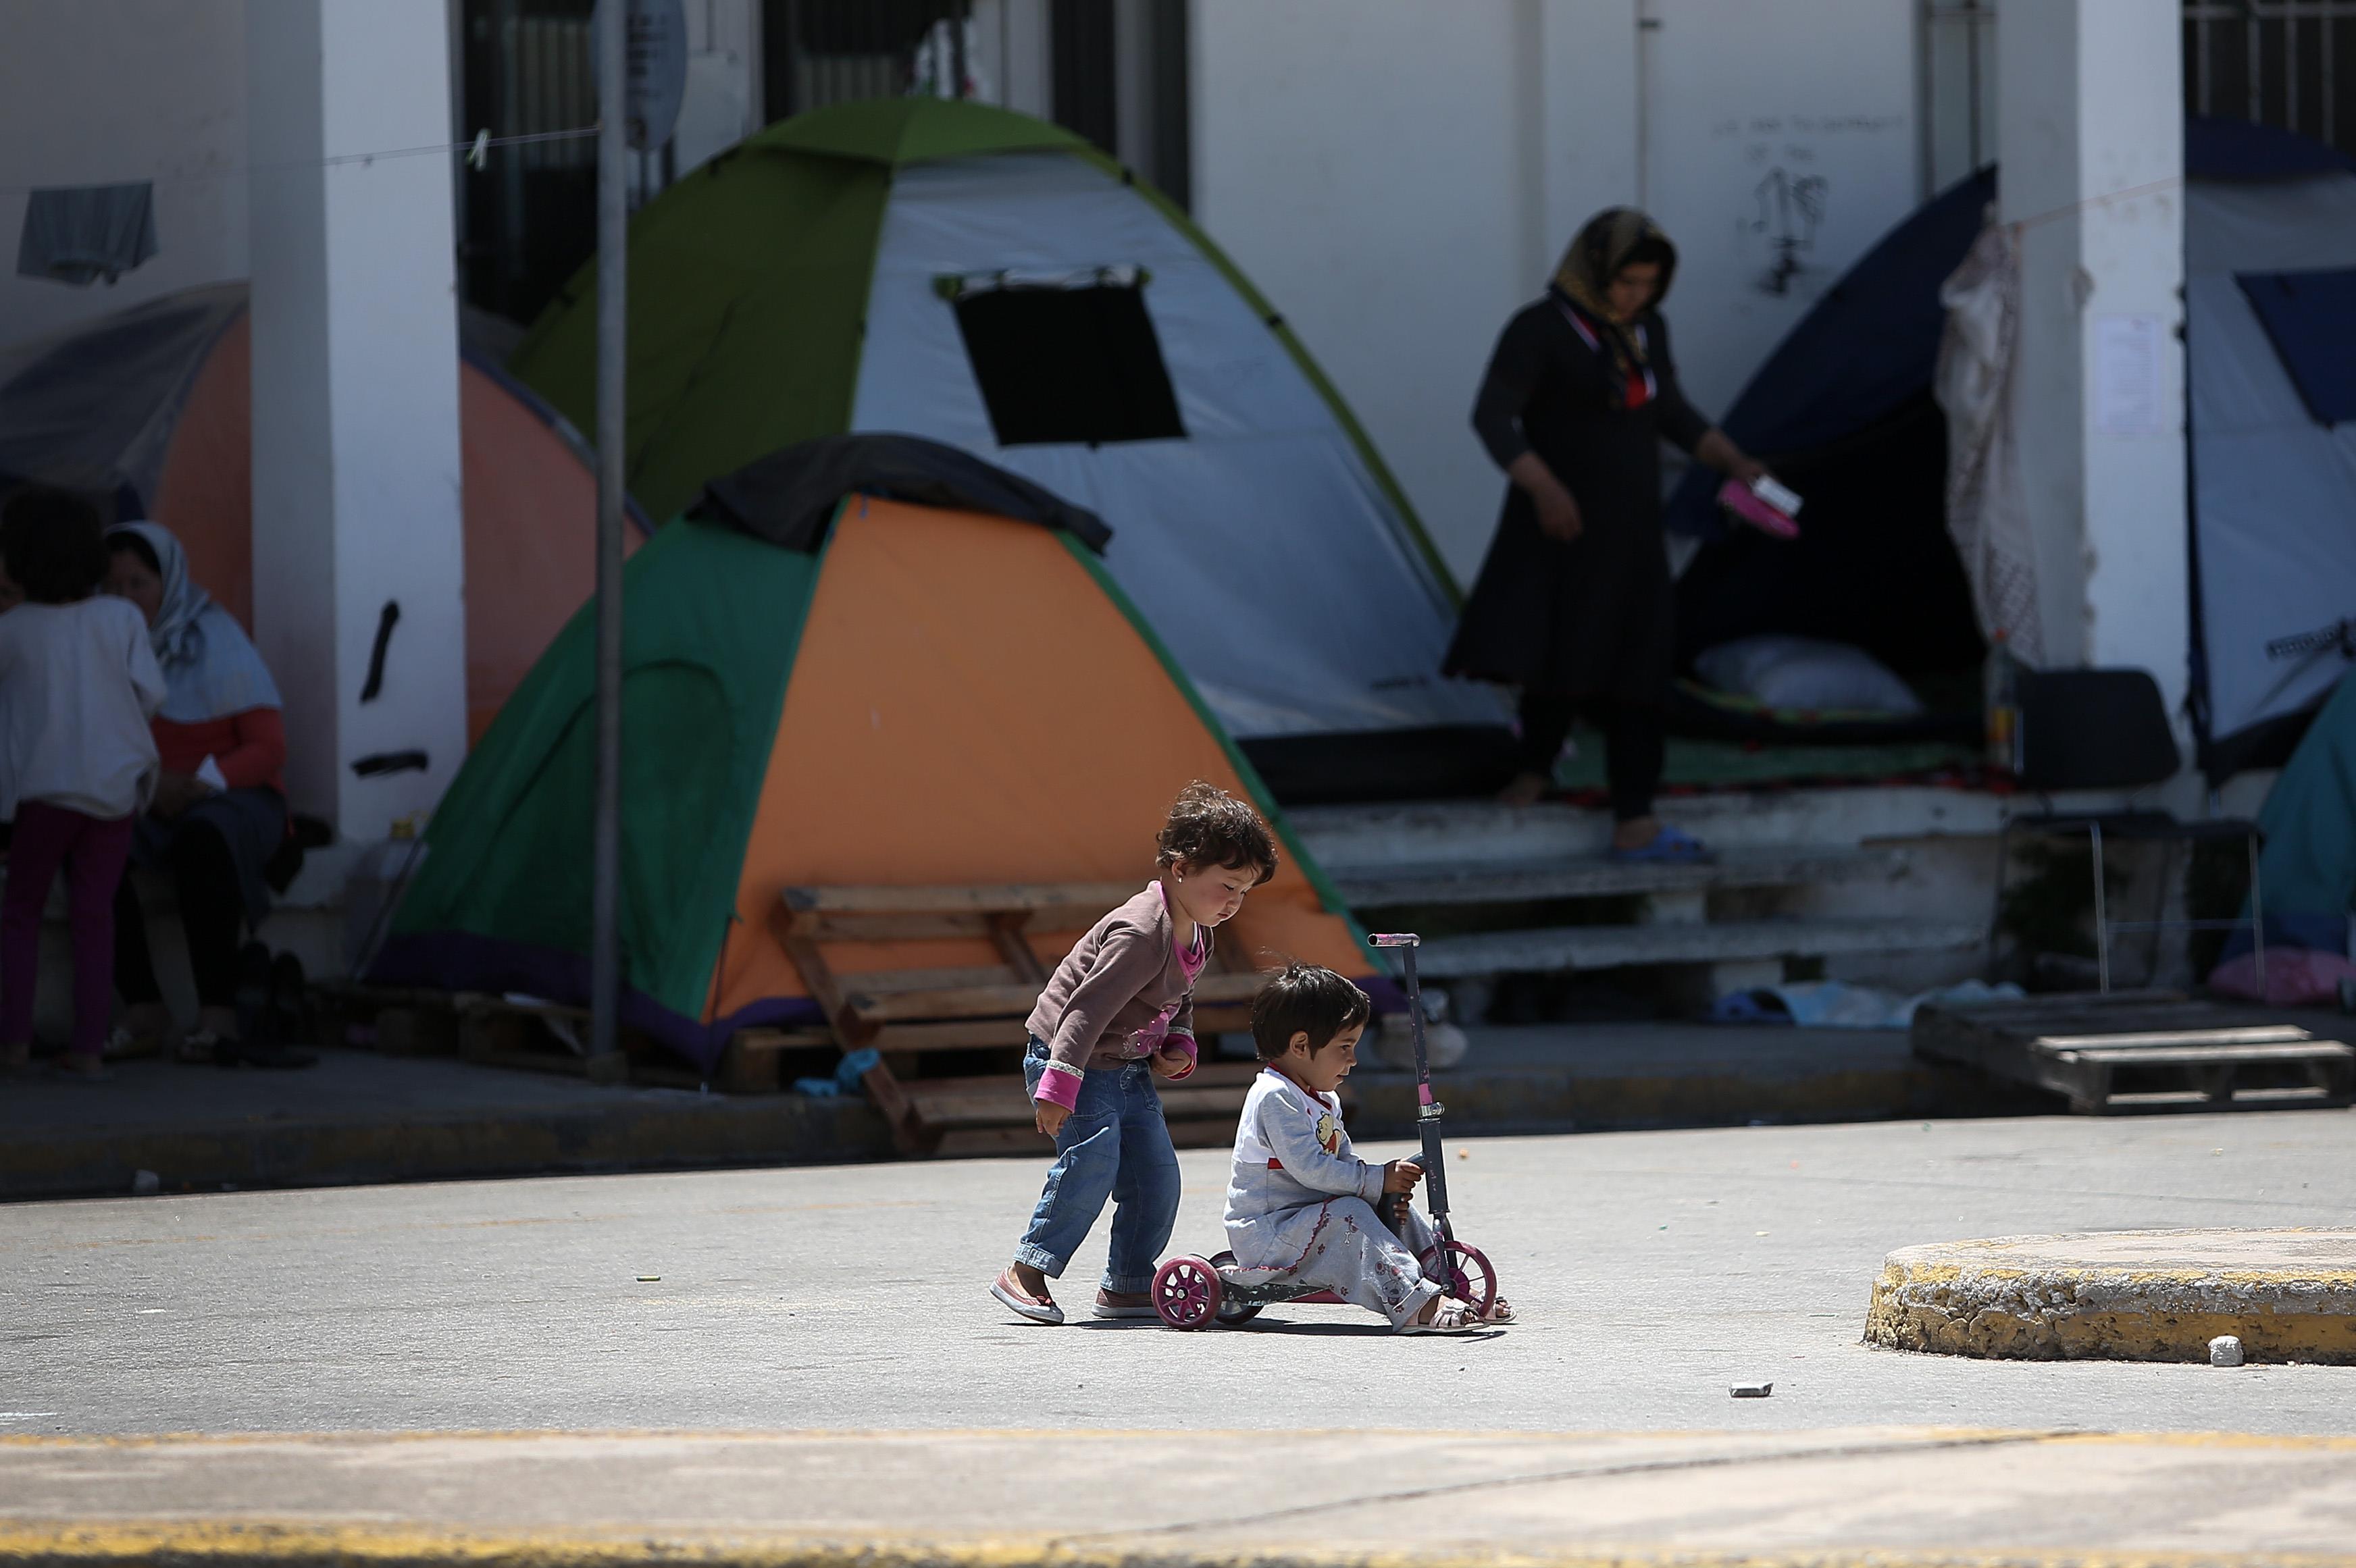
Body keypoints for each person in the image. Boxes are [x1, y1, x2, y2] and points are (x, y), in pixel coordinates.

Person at [1448, 208, 1770, 860]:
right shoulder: (1540, 330)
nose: (1635, 296)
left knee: (1640, 666)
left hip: (1633, 530)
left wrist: (1733, 461)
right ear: (1593, 272)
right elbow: (1493, 418)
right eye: (1626, 282)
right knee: (1559, 653)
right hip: (1561, 525)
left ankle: (1635, 814)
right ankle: (1535, 768)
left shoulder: (1646, 331)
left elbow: (1671, 412)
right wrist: (1544, 487)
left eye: (1649, 284)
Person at [992, 781, 1277, 1326]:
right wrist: (1058, 1086)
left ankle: (1127, 1284)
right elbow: (1085, 1010)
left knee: (1156, 1175)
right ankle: (1026, 1272)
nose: (1234, 903)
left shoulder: (1198, 932)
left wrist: (1178, 1041)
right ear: (1180, 868)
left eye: (1244, 893)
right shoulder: (1142, 932)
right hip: (1071, 1061)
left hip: (1123, 1068)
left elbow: (1177, 998)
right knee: (1092, 1162)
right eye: (1227, 887)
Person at [102, 522, 305, 1067]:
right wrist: (153, 788)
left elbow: (268, 749)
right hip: (147, 795)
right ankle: (144, 1008)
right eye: (113, 586)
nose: (125, 599)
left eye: (139, 584)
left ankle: (218, 1016)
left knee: (203, 839)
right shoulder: (100, 648)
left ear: (168, 583)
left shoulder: (216, 639)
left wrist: (201, 784)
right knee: (90, 845)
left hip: (235, 794)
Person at [1223, 964, 1513, 1334]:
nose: (1354, 1059)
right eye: (1345, 1047)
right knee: (1352, 1210)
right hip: (1271, 1234)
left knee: (1387, 1205)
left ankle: (1441, 1280)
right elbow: (1312, 1169)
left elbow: (1343, 1162)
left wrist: (1383, 1187)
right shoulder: (1275, 1097)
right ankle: (1416, 1303)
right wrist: (1376, 1179)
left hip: (1310, 1222)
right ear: (1300, 1046)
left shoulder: (1324, 1099)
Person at [0, 490, 166, 1078]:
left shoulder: (12, 630)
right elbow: (151, 695)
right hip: (113, 794)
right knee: (96, 916)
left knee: (20, 911)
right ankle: (90, 1049)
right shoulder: (121, 619)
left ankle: (14, 1044)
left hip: (42, 794)